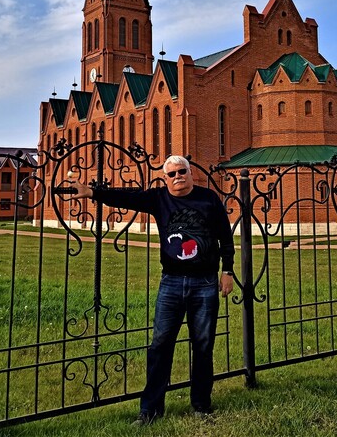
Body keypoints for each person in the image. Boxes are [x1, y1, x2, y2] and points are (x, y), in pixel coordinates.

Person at [69, 155, 235, 425]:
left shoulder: (209, 199)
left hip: (204, 282)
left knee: (203, 347)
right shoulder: (159, 198)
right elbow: (128, 197)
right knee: (160, 346)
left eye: (182, 172)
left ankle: (201, 406)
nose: (178, 177)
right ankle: (150, 410)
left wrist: (227, 271)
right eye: (171, 174)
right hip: (171, 282)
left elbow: (225, 236)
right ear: (165, 178)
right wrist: (92, 192)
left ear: (191, 174)